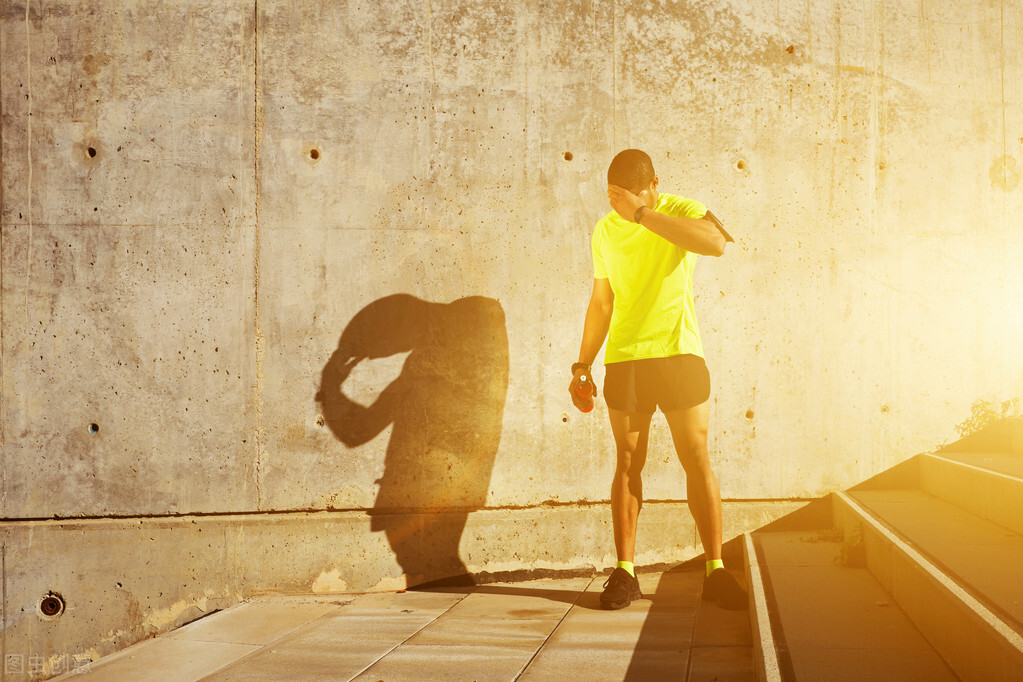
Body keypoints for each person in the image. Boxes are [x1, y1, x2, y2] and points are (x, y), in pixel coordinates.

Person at [570, 149, 747, 610]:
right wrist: (581, 365)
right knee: (627, 462)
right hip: (626, 358)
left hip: (678, 352)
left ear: (653, 185)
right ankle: (625, 573)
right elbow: (602, 302)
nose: (621, 206)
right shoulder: (604, 230)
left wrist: (642, 214)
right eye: (615, 197)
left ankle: (716, 569)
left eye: (631, 196)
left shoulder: (680, 209)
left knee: (696, 457)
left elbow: (715, 243)